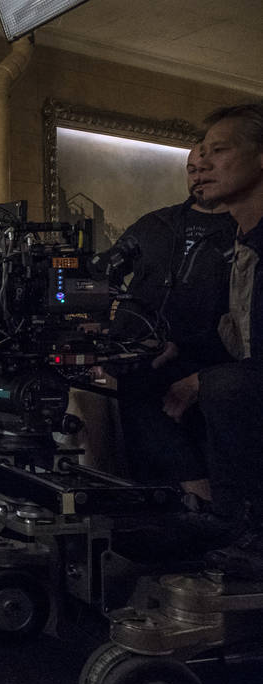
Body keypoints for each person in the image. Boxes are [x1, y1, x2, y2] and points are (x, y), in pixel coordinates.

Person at [161, 103, 263, 578]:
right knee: (152, 373)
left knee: (223, 386)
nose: (200, 165)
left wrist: (204, 378)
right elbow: (237, 332)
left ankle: (246, 527)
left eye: (219, 151)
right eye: (198, 155)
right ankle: (212, 510)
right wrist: (177, 348)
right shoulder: (236, 243)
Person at [108, 145, 236, 499]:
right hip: (140, 371)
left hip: (213, 374)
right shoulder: (155, 224)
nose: (198, 174)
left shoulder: (246, 231)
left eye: (207, 166)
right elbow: (105, 273)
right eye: (192, 168)